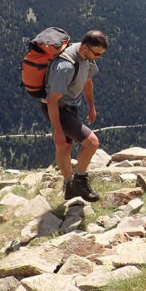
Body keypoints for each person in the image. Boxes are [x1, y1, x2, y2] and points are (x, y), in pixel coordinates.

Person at [42, 29, 108, 202]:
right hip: (58, 108)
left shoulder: (86, 57)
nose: (98, 57)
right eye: (97, 54)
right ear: (85, 47)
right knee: (92, 142)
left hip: (70, 106)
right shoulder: (65, 66)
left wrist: (91, 106)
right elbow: (52, 101)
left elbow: (87, 81)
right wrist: (57, 130)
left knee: (65, 147)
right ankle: (79, 180)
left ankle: (69, 186)